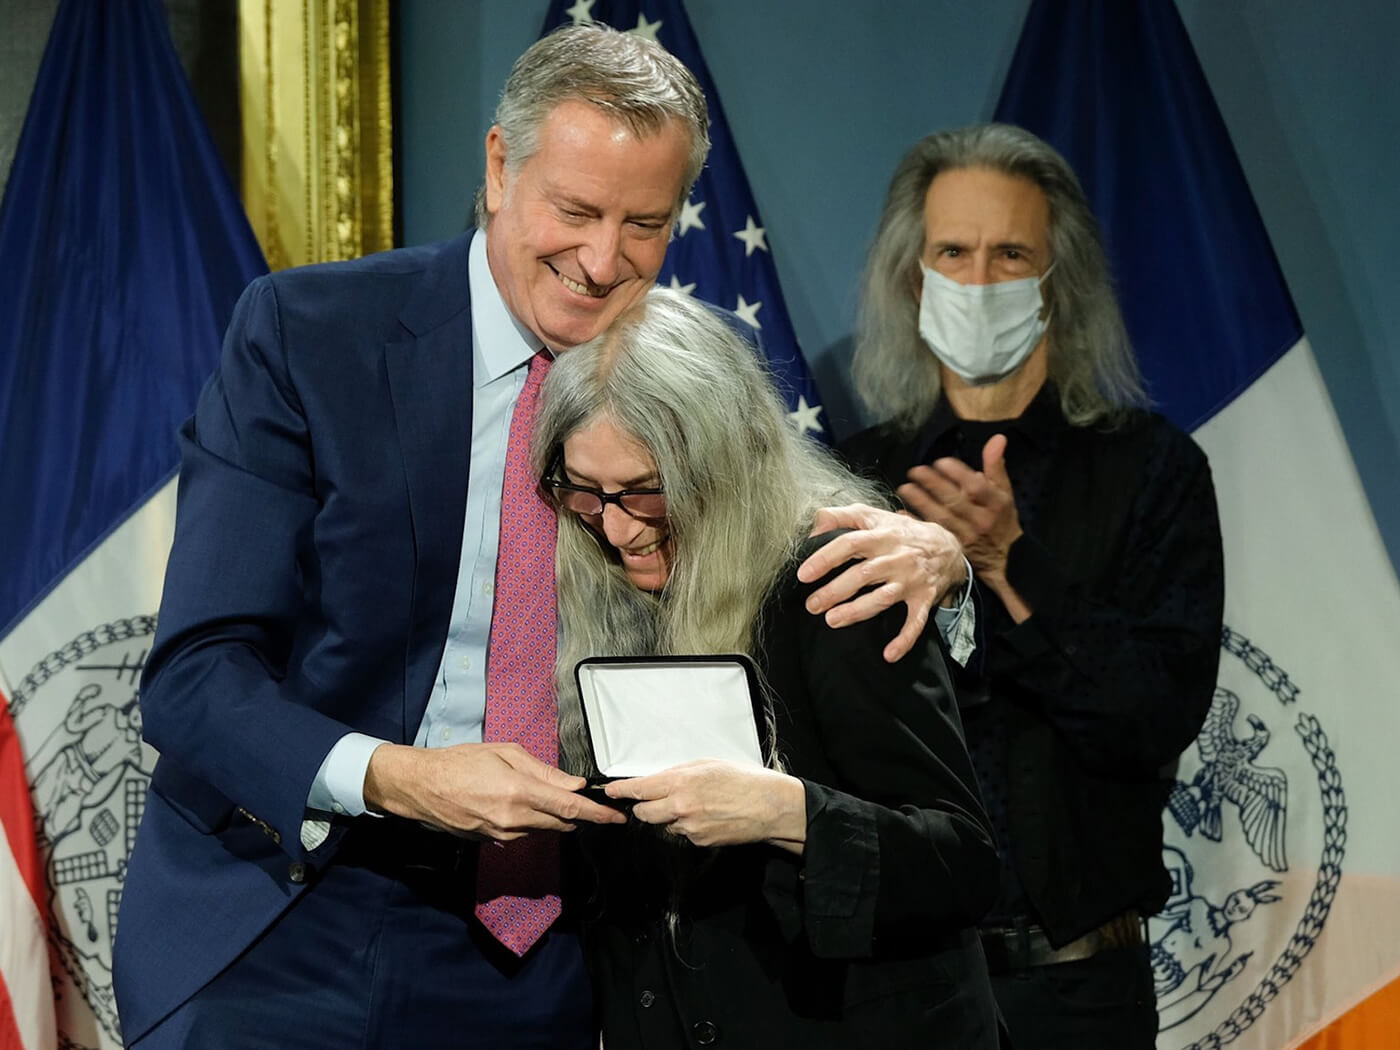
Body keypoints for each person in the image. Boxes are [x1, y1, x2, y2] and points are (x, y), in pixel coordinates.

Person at [112, 24, 970, 1050]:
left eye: (643, 224)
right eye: (573, 210)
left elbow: (788, 544)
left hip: (544, 949)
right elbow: (196, 676)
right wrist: (398, 775)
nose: (602, 261)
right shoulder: (309, 337)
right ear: (496, 166)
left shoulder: (676, 377)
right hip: (291, 913)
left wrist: (944, 558)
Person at [534, 286, 1003, 1048]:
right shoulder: (589, 597)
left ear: (724, 463)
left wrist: (787, 815)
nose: (615, 529)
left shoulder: (836, 583)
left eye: (646, 491)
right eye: (584, 492)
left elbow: (963, 868)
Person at [840, 123, 1226, 1049]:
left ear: (1059, 281)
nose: (979, 281)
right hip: (896, 988)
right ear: (911, 276)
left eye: (1012, 254)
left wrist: (1012, 565)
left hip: (1078, 990)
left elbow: (1152, 719)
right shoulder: (850, 484)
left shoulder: (1153, 472)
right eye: (953, 253)